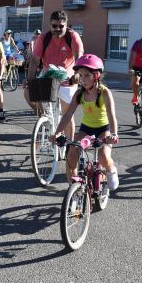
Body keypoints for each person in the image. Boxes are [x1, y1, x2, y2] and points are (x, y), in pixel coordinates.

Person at [49, 54, 119, 189]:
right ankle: (74, 189)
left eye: (87, 75)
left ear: (97, 75)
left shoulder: (104, 93)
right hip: (86, 128)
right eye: (80, 75)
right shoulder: (79, 94)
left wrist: (114, 134)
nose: (82, 79)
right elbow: (68, 115)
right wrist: (57, 133)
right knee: (71, 155)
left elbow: (111, 115)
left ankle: (111, 169)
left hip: (104, 129)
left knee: (103, 156)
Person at [24, 11, 84, 139]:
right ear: (50, 25)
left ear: (66, 25)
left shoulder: (72, 36)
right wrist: (29, 79)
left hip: (68, 79)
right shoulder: (44, 38)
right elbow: (35, 61)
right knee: (28, 93)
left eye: (61, 26)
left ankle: (69, 146)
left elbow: (79, 56)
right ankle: (45, 118)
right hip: (48, 76)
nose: (57, 29)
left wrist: (78, 74)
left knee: (67, 115)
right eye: (54, 26)